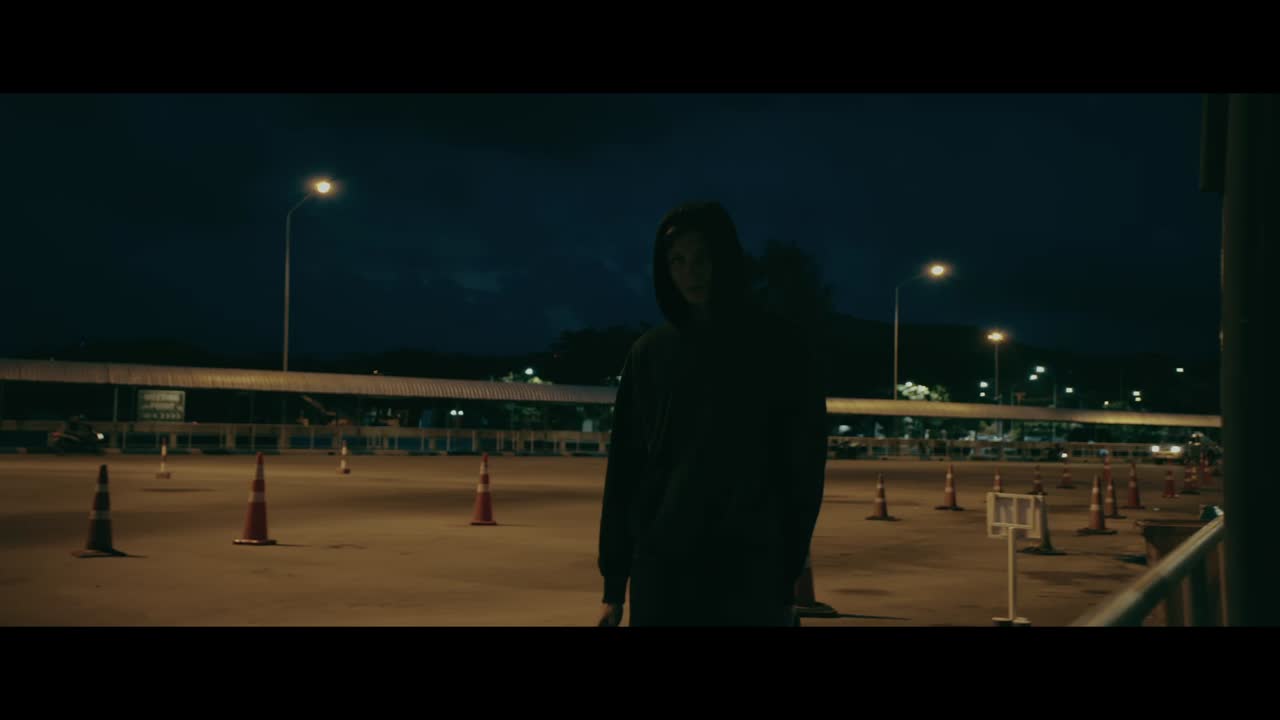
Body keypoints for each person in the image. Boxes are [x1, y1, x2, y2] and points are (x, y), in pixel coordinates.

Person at [596, 201, 828, 627]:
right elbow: (626, 467)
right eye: (677, 261)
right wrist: (615, 582)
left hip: (749, 568)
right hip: (663, 568)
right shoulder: (650, 354)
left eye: (702, 258)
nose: (691, 273)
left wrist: (786, 576)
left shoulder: (780, 346)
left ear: (726, 259)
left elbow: (803, 467)